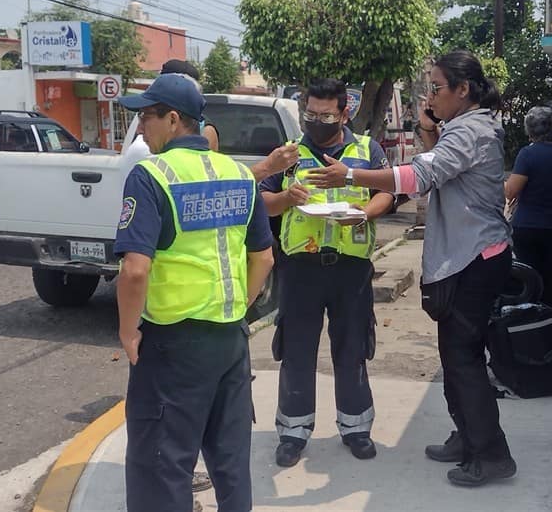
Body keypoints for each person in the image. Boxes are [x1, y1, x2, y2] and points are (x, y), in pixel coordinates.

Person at [306, 51, 517, 487]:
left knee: (463, 359)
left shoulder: (472, 130)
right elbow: (440, 169)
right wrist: (428, 128)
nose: (430, 95)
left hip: (474, 258)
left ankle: (492, 453)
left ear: (464, 90)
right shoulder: (462, 127)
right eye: (428, 88)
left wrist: (351, 176)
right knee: (456, 356)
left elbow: (419, 177)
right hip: (468, 254)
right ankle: (468, 437)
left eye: (436, 88)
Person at [115, 73, 275, 512]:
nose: (141, 126)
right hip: (229, 341)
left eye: (147, 116)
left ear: (172, 120)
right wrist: (237, 306)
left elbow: (134, 270)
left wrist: (128, 332)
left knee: (161, 465)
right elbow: (263, 258)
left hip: (172, 345)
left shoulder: (152, 176)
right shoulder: (240, 174)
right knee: (230, 462)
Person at [259, 78, 394, 468]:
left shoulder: (366, 149)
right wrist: (286, 198)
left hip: (350, 268)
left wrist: (365, 214)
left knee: (352, 347)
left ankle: (356, 428)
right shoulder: (289, 154)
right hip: (301, 267)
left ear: (344, 112)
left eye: (325, 115)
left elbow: (387, 191)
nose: (316, 121)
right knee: (297, 350)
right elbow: (264, 203)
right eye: (310, 114)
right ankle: (293, 432)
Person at [123, 59, 300, 181]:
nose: (140, 128)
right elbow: (213, 186)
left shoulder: (156, 155)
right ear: (173, 120)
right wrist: (267, 166)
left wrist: (268, 167)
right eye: (142, 116)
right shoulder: (147, 157)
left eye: (145, 116)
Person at [505, 106, 552, 307]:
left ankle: (531, 313)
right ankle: (547, 309)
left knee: (530, 274)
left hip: (528, 227)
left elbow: (511, 191)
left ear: (529, 130)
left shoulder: (528, 154)